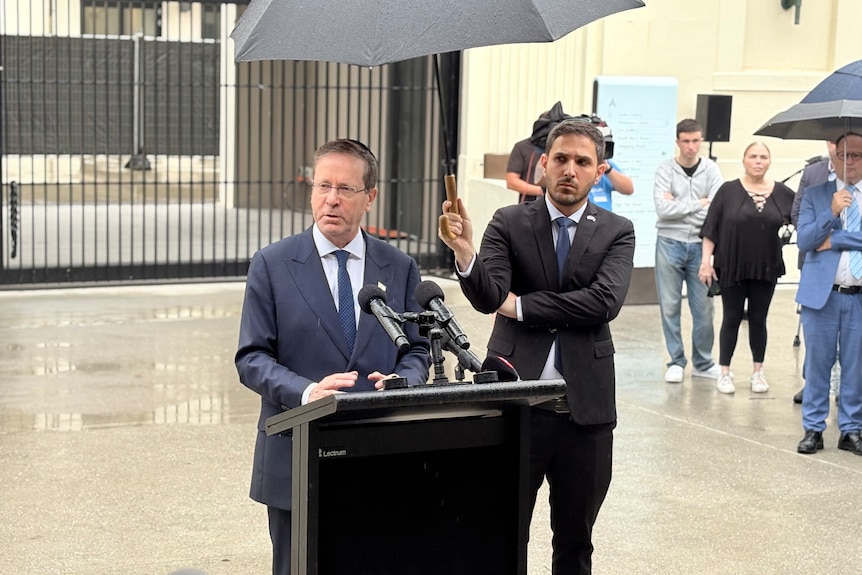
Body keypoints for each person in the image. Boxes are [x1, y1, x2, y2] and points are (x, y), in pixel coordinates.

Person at [439, 120, 635, 574]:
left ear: (599, 171)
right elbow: (490, 295)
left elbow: (605, 302)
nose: (570, 170)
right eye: (561, 159)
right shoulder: (510, 221)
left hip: (584, 412)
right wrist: (466, 254)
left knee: (575, 543)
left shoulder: (617, 231)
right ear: (544, 163)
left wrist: (522, 306)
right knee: (501, 535)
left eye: (583, 162)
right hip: (514, 405)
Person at [235, 139, 431, 574]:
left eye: (345, 188)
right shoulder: (272, 264)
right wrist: (305, 392)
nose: (332, 199)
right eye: (323, 185)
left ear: (371, 198)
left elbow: (418, 346)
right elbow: (251, 357)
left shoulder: (398, 267)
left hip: (379, 454)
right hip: (296, 453)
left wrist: (404, 382)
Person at [698, 142, 794, 394]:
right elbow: (711, 229)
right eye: (753, 156)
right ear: (744, 160)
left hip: (766, 267)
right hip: (731, 265)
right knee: (731, 318)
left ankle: (758, 372)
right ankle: (725, 372)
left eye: (763, 156)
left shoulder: (784, 193)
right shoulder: (728, 191)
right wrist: (705, 261)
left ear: (770, 161)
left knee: (759, 319)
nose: (758, 161)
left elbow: (803, 222)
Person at [795, 133, 862, 456]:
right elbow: (806, 240)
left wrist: (835, 240)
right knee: (818, 363)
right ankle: (813, 427)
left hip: (858, 295)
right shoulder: (816, 194)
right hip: (821, 294)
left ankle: (850, 429)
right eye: (843, 155)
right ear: (833, 158)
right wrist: (831, 212)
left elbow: (826, 243)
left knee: (855, 365)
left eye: (857, 156)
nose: (849, 162)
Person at [653, 118, 724, 384]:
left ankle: (703, 362)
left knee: (704, 307)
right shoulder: (665, 170)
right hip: (668, 242)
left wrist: (682, 204)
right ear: (677, 142)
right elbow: (663, 209)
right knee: (670, 306)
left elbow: (716, 209)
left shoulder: (712, 170)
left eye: (696, 141)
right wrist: (699, 203)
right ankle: (676, 361)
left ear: (701, 141)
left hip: (701, 245)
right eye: (686, 141)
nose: (691, 147)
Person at [791, 142, 838, 404]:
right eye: (831, 142)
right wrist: (817, 234)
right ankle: (812, 384)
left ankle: (845, 390)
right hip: (817, 258)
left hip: (851, 267)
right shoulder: (812, 173)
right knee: (816, 332)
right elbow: (797, 212)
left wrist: (838, 238)